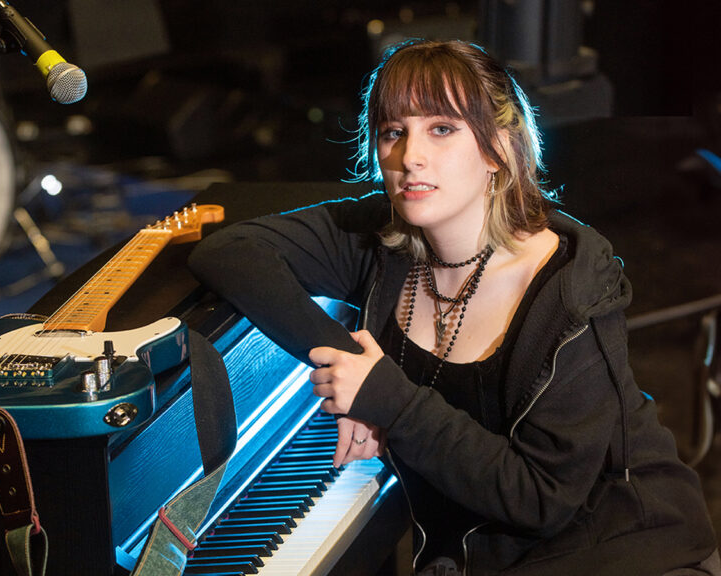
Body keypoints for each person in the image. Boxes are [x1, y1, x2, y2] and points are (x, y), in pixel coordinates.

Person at [188, 39, 719, 575]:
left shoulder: (569, 295)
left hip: (619, 551)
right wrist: (349, 362)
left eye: (441, 128)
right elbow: (229, 252)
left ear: (496, 149)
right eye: (394, 132)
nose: (409, 156)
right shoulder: (384, 240)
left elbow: (542, 500)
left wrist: (386, 399)